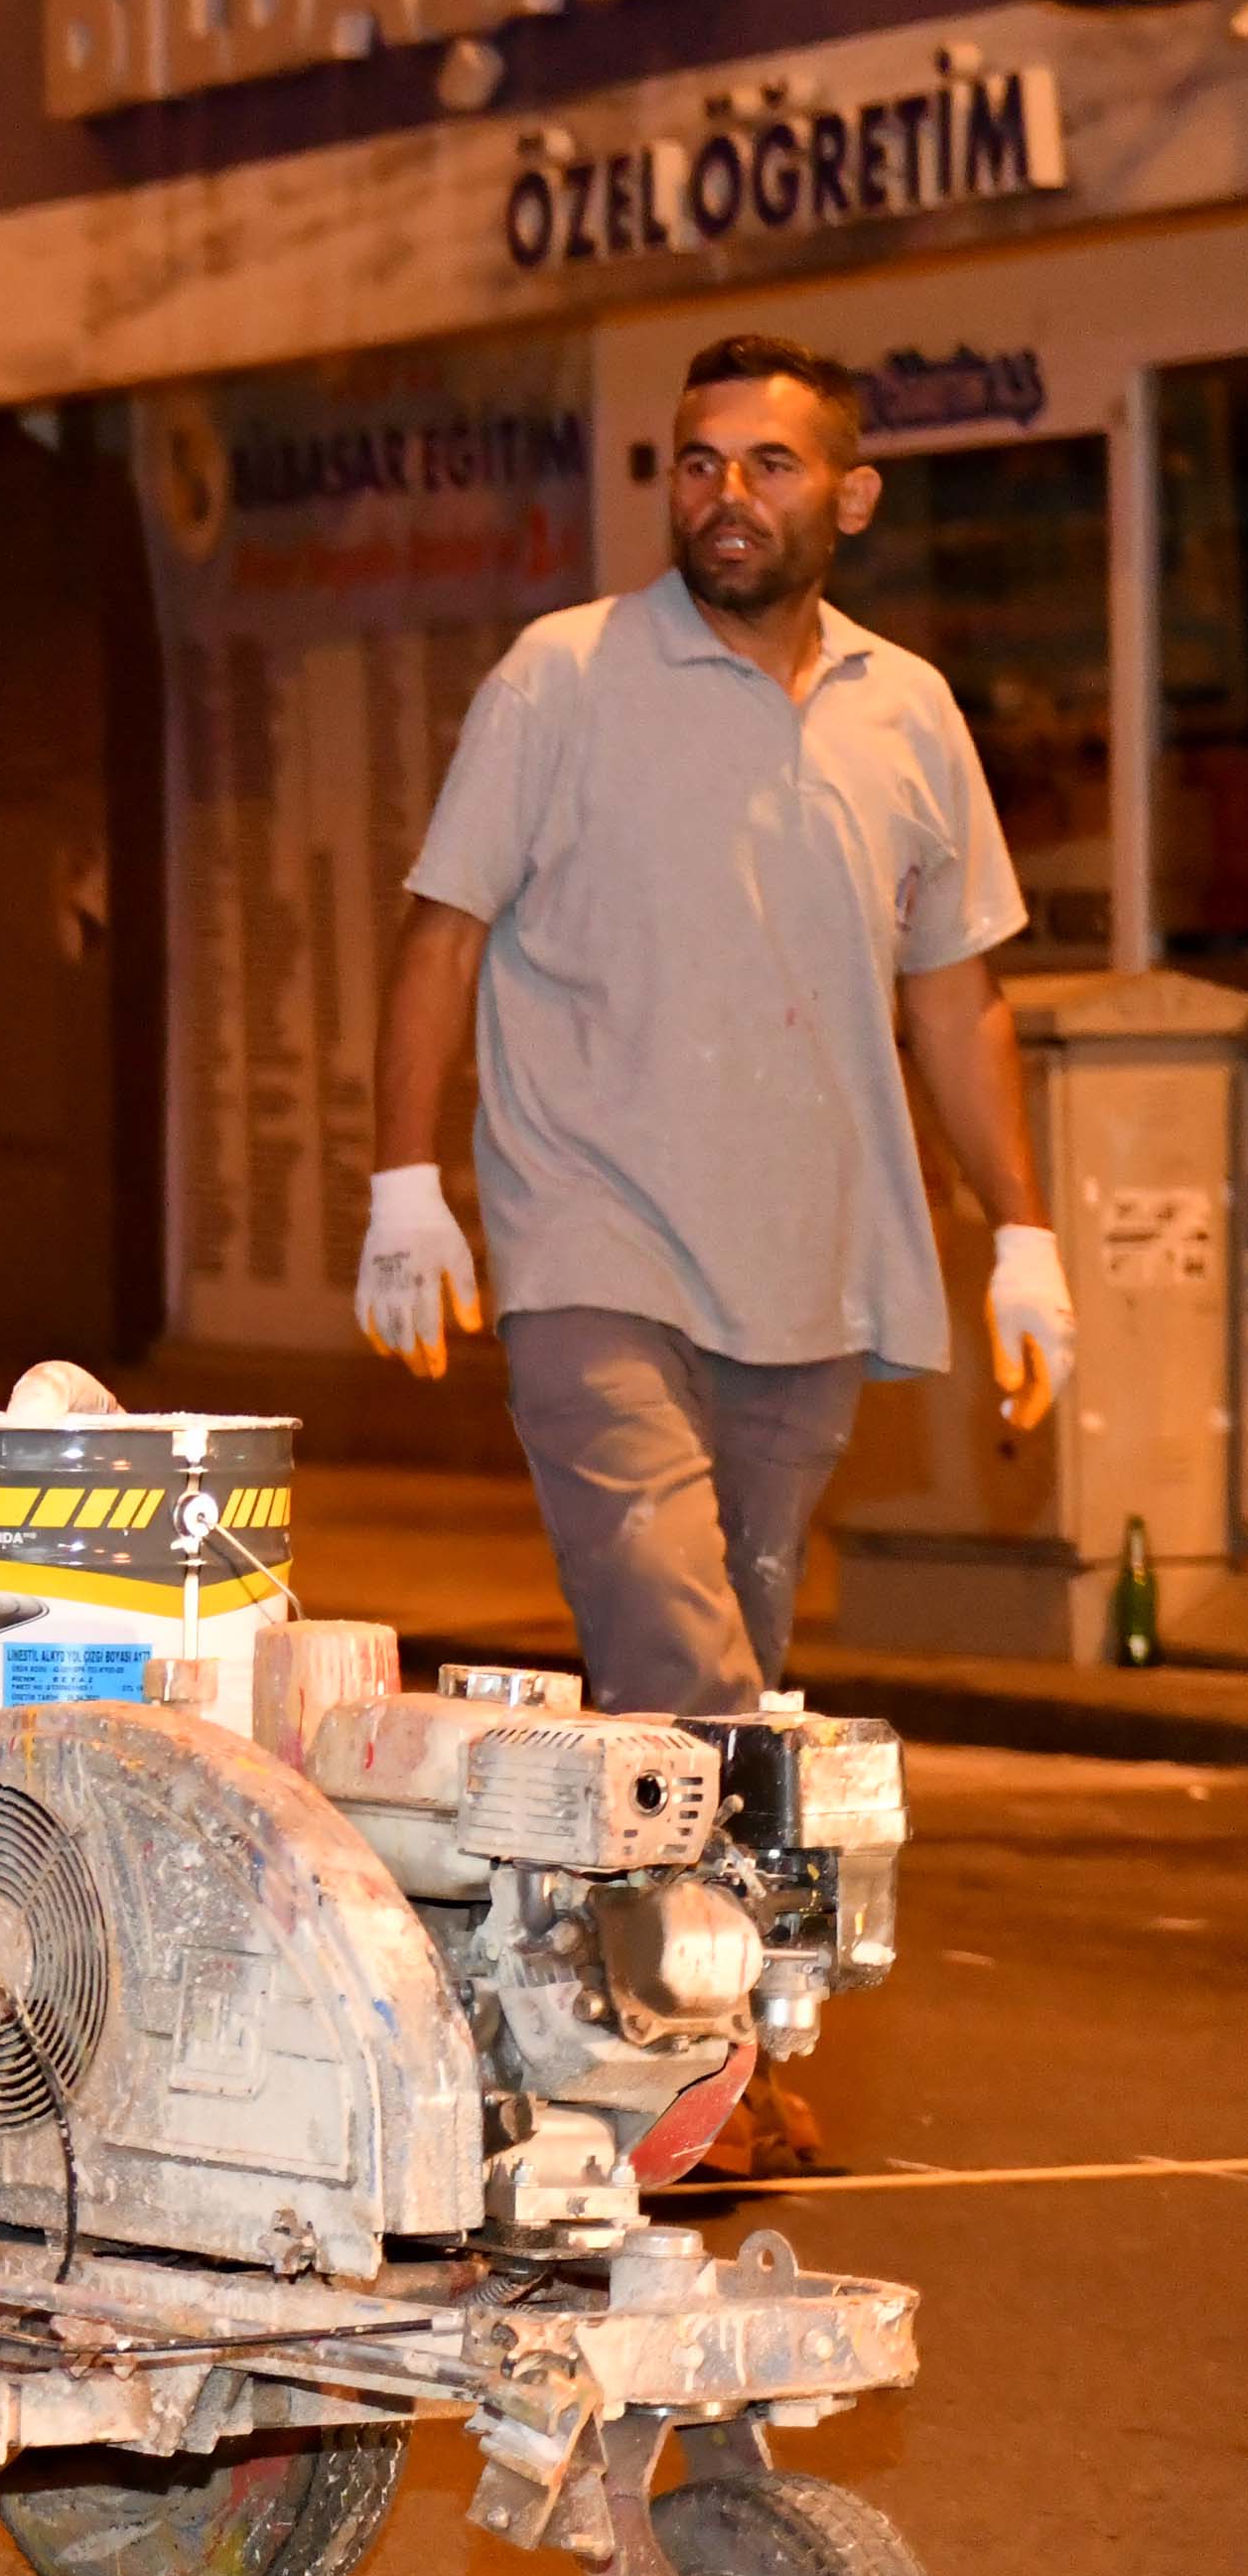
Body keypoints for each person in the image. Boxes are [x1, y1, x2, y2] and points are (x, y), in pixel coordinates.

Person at [359, 332, 1066, 1723]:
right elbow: (440, 935)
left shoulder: (909, 711)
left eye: (769, 464)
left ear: (850, 501)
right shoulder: (559, 678)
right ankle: (721, 1925)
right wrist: (404, 1190)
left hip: (810, 1262)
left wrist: (1025, 1236)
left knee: (723, 1651)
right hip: (592, 1243)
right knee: (681, 1645)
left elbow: (955, 991)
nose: (725, 493)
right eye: (697, 464)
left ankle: (668, 1924)